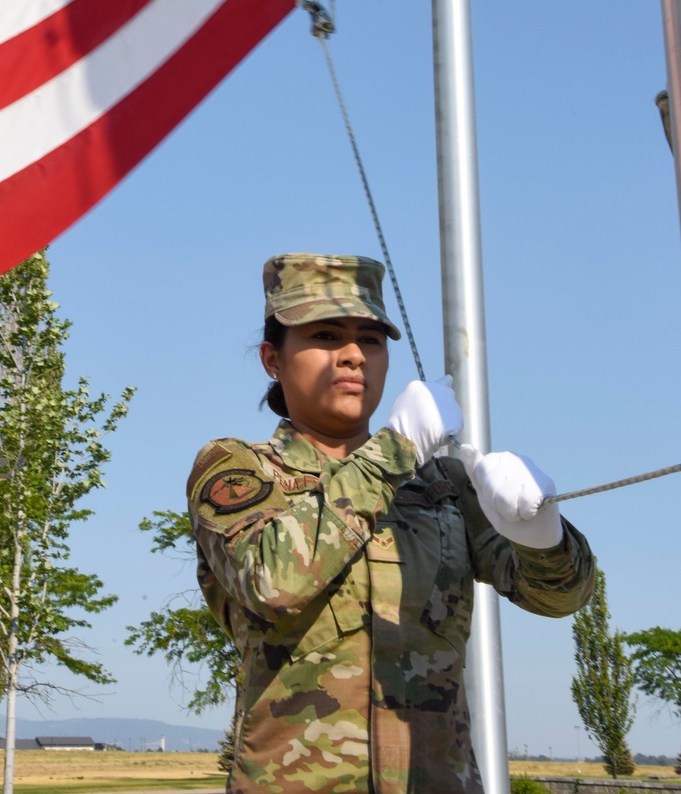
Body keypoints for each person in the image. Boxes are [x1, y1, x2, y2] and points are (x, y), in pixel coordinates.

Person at [187, 253, 594, 794]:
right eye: (326, 336)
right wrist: (395, 449)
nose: (354, 355)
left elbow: (561, 598)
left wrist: (544, 535)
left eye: (372, 340)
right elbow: (270, 580)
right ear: (272, 359)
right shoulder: (238, 468)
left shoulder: (441, 483)